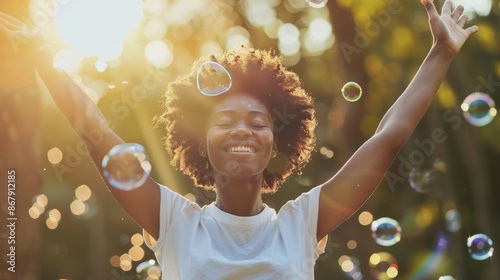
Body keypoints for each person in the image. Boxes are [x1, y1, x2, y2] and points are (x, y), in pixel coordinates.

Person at [0, 0, 478, 279]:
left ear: (276, 142)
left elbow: (388, 138)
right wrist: (43, 60)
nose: (243, 130)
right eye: (225, 121)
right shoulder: (174, 223)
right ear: (201, 141)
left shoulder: (302, 224)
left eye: (258, 121)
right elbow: (97, 134)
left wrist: (440, 53)